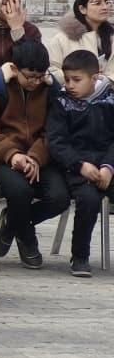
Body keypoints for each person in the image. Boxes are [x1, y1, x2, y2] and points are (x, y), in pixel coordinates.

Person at [0, 38, 67, 271]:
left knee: (59, 198)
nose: (35, 82)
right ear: (15, 69)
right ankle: (28, 239)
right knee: (19, 191)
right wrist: (13, 154)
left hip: (41, 157)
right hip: (4, 157)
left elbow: (54, 131)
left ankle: (11, 224)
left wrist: (36, 156)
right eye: (29, 77)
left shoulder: (50, 88)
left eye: (39, 76)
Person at [47, 49, 114, 278]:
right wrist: (80, 165)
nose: (70, 85)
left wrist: (108, 167)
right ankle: (80, 256)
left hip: (107, 167)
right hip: (77, 168)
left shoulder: (110, 99)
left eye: (77, 80)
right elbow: (57, 143)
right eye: (67, 80)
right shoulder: (62, 102)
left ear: (95, 78)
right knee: (88, 199)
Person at [45, 0, 114, 85]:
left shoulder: (111, 36)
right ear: (82, 9)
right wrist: (79, 80)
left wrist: (108, 80)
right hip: (73, 97)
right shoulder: (62, 39)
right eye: (97, 3)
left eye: (107, 2)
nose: (105, 7)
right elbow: (52, 70)